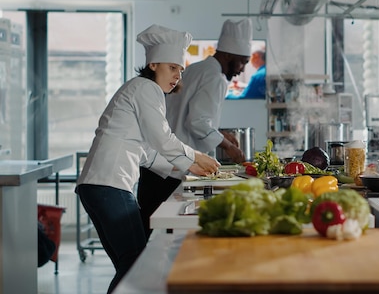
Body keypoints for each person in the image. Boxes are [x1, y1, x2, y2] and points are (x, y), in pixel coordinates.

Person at [75, 24, 221, 294]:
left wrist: (188, 171)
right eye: (173, 68)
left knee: (128, 263)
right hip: (109, 185)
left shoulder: (138, 90)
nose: (178, 76)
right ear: (153, 64)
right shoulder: (146, 89)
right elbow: (163, 139)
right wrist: (197, 156)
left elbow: (148, 152)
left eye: (181, 70)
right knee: (135, 262)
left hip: (96, 186)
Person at [137, 19, 253, 237]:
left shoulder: (198, 68)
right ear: (228, 55)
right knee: (159, 235)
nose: (242, 69)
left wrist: (220, 134)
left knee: (146, 232)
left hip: (157, 165)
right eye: (242, 62)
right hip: (171, 168)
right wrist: (229, 147)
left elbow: (188, 116)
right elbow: (197, 122)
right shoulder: (215, 78)